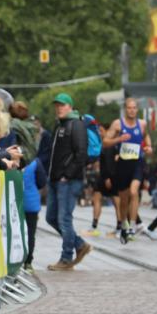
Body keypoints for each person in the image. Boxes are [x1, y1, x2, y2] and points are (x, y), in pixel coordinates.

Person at [45, 92, 92, 270]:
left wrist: (68, 174)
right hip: (55, 179)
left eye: (62, 105)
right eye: (57, 105)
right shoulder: (59, 125)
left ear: (70, 106)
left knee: (64, 219)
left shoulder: (77, 124)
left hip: (68, 180)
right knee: (51, 217)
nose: (59, 108)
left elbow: (82, 154)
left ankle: (66, 259)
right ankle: (79, 244)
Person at [103, 97, 152, 243]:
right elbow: (105, 142)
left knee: (133, 191)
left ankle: (131, 226)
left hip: (138, 162)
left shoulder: (142, 123)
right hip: (123, 163)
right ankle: (124, 224)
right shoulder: (118, 124)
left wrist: (149, 147)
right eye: (129, 108)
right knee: (124, 199)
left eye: (134, 108)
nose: (132, 110)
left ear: (137, 109)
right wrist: (119, 139)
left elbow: (146, 137)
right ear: (125, 109)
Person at [21, 135, 49, 272]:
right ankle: (28, 262)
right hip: (31, 203)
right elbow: (42, 182)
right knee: (30, 233)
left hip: (14, 204)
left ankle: (16, 261)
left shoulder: (10, 159)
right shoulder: (36, 162)